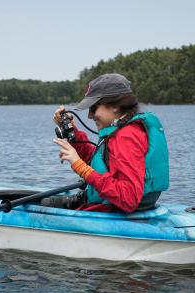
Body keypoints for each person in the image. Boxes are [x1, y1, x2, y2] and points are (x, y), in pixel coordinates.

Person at [48, 73, 169, 212]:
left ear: (115, 106)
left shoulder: (126, 137)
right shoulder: (121, 128)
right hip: (112, 204)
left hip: (116, 209)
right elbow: (101, 164)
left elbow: (128, 198)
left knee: (42, 204)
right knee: (45, 202)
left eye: (93, 107)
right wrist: (71, 131)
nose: (89, 115)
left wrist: (81, 167)